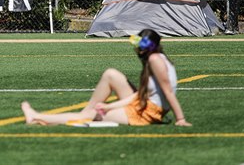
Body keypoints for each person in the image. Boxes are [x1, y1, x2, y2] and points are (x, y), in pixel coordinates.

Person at [21, 29, 191, 126]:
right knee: (111, 74)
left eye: (142, 46)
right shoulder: (155, 59)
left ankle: (36, 117)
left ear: (151, 46)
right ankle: (86, 112)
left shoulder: (154, 60)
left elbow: (168, 92)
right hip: (145, 105)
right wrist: (111, 106)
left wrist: (181, 119)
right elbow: (140, 95)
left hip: (148, 113)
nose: (138, 50)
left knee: (90, 115)